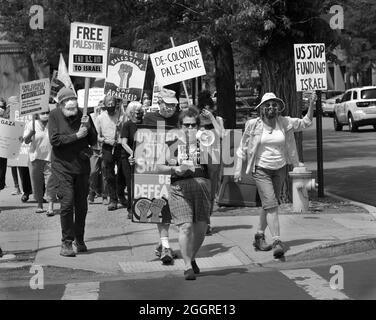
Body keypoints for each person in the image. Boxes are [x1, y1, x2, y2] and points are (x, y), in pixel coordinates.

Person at [234, 92, 316, 259]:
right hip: (261, 169)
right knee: (272, 205)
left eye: (274, 104)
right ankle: (277, 241)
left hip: (280, 168)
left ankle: (258, 236)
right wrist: (237, 169)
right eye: (267, 105)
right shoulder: (253, 125)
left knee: (268, 204)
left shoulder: (285, 122)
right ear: (261, 108)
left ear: (278, 108)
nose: (271, 107)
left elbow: (306, 122)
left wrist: (312, 104)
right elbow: (242, 148)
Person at [157, 106, 211, 280]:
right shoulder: (172, 144)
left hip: (201, 187)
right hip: (179, 188)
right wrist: (175, 168)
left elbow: (217, 161)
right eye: (186, 125)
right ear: (181, 126)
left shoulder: (205, 141)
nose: (190, 128)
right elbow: (159, 167)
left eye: (193, 125)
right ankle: (187, 265)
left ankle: (192, 257)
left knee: (201, 228)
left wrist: (205, 145)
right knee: (186, 227)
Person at [49, 87, 97, 257]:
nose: (72, 110)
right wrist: (77, 135)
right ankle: (66, 243)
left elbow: (93, 140)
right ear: (61, 104)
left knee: (82, 206)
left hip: (82, 167)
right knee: (67, 204)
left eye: (74, 106)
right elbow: (55, 140)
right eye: (68, 107)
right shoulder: (54, 115)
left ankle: (80, 238)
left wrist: (89, 127)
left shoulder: (85, 115)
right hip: (62, 167)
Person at [143, 88, 179, 264]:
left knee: (172, 209)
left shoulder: (178, 119)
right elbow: (143, 142)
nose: (171, 108)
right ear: (160, 103)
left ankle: (162, 243)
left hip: (176, 168)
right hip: (156, 168)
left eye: (174, 105)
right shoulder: (149, 119)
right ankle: (165, 246)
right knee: (161, 207)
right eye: (168, 105)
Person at [197, 90, 225, 235]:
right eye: (204, 108)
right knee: (200, 192)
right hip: (199, 160)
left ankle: (207, 221)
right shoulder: (195, 120)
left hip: (214, 160)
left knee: (211, 192)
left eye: (210, 107)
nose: (207, 111)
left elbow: (222, 134)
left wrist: (212, 119)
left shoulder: (218, 119)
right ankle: (200, 221)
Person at [96, 95, 127, 211]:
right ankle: (113, 199)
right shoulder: (100, 118)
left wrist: (121, 128)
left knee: (122, 172)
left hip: (120, 146)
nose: (111, 106)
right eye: (108, 104)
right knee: (109, 174)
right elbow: (97, 136)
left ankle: (121, 195)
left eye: (112, 104)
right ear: (104, 105)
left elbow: (126, 132)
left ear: (116, 104)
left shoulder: (122, 116)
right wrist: (105, 140)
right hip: (107, 147)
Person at [23, 110, 55, 215]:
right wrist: (30, 134)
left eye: (47, 112)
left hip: (50, 158)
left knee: (50, 182)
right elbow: (26, 141)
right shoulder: (31, 124)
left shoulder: (53, 123)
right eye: (43, 113)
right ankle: (40, 204)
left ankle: (50, 206)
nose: (45, 115)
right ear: (37, 114)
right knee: (37, 183)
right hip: (35, 158)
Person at [120, 101, 144, 218]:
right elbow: (123, 143)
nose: (138, 112)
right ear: (131, 112)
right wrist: (134, 154)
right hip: (128, 158)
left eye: (140, 110)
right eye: (136, 110)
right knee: (131, 183)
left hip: (144, 157)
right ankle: (130, 208)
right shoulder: (127, 125)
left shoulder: (145, 123)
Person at [88, 100, 108, 204]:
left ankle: (104, 195)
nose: (101, 110)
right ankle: (91, 192)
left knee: (105, 172)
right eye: (100, 108)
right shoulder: (91, 117)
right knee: (93, 171)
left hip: (105, 148)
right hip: (94, 149)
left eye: (104, 108)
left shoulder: (109, 117)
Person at [0, 98, 8, 193]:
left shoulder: (8, 122)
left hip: (2, 154)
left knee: (1, 178)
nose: (0, 109)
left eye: (2, 107)